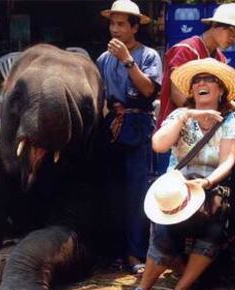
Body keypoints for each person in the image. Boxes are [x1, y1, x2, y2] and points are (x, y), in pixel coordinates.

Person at [121, 58, 235, 290]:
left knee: (214, 219)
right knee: (164, 226)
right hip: (177, 184)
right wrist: (186, 114)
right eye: (197, 80)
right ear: (191, 90)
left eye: (209, 80)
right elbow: (158, 145)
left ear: (221, 90)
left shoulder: (231, 120)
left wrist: (207, 184)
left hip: (211, 183)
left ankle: (181, 289)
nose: (202, 83)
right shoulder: (180, 115)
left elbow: (227, 162)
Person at [96, 0, 162, 275]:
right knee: (112, 193)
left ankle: (135, 254)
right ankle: (113, 253)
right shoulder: (102, 59)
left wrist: (127, 60)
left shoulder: (149, 56)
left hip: (139, 125)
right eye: (112, 23)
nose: (115, 29)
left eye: (121, 24)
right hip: (112, 126)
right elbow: (98, 96)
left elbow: (149, 91)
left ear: (135, 27)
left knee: (138, 193)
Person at [153, 3, 235, 175]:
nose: (233, 39)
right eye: (230, 32)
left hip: (208, 134)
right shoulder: (186, 50)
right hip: (178, 134)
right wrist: (200, 113)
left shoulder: (220, 59)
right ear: (215, 26)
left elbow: (222, 100)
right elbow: (177, 94)